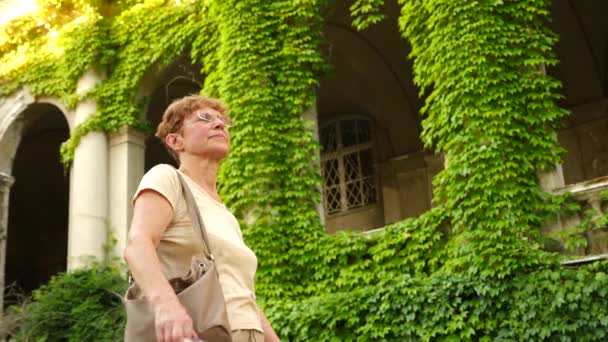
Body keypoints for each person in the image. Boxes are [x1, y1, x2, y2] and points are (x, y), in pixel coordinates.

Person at [124, 95, 281, 342]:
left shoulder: (226, 214)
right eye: (204, 118)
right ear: (176, 141)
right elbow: (138, 245)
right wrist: (167, 306)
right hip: (200, 332)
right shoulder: (167, 178)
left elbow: (243, 295)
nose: (219, 124)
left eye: (222, 121)